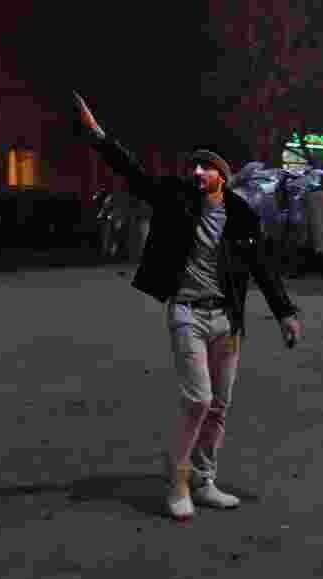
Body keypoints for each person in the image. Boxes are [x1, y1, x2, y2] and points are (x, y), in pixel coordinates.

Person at [72, 91, 304, 520]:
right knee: (198, 400)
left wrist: (286, 313)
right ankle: (178, 480)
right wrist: (99, 136)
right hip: (187, 315)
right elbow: (135, 175)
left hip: (227, 320)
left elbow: (262, 267)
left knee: (220, 406)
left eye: (206, 166)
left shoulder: (241, 215)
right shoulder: (177, 199)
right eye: (194, 165)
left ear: (223, 174)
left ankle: (205, 480)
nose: (196, 171)